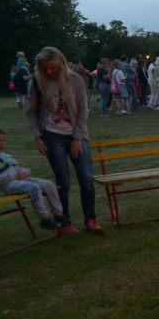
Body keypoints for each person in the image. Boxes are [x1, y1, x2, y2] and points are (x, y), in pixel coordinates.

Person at [25, 46, 102, 234]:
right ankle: (65, 221)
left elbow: (83, 109)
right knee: (63, 181)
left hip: (76, 133)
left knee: (86, 177)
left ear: (61, 63)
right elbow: (31, 112)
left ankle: (90, 218)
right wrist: (38, 136)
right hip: (52, 135)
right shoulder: (37, 82)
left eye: (53, 68)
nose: (50, 72)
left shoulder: (74, 80)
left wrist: (77, 137)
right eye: (46, 69)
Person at [0, 125, 64, 230]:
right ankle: (44, 219)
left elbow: (19, 169)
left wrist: (25, 173)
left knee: (49, 184)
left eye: (3, 140)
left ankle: (59, 214)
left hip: (21, 180)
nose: (1, 143)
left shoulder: (6, 156)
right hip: (9, 185)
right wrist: (11, 176)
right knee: (33, 188)